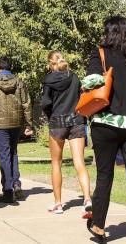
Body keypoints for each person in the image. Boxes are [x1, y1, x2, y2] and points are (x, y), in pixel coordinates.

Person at [87, 16, 126, 244]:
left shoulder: (101, 53)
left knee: (105, 175)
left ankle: (98, 225)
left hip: (107, 123)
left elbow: (91, 82)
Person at [41, 51, 92, 216]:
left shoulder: (48, 80)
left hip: (57, 122)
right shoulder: (75, 77)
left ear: (50, 63)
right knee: (80, 162)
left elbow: (46, 103)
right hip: (77, 121)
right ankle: (87, 199)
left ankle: (58, 204)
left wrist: (51, 116)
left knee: (56, 163)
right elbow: (81, 97)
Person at [0, 56, 33, 203]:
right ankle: (16, 183)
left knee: (4, 156)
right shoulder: (19, 81)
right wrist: (29, 124)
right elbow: (26, 104)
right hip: (16, 123)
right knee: (13, 153)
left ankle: (8, 190)